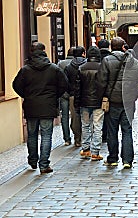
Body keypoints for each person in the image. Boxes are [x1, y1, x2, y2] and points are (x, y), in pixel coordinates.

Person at [13, 42, 68, 174]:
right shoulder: (54, 69)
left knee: (32, 135)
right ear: (44, 51)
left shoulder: (25, 70)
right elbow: (64, 85)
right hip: (47, 106)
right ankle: (44, 164)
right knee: (46, 135)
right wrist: (54, 96)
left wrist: (26, 95)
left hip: (31, 106)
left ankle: (33, 160)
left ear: (31, 52)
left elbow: (16, 85)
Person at [97, 37, 138, 169]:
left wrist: (104, 97)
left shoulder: (107, 60)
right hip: (128, 102)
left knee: (112, 131)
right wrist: (133, 97)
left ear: (112, 47)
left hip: (113, 102)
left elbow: (101, 81)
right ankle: (127, 160)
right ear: (123, 47)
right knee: (127, 131)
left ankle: (113, 158)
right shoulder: (134, 62)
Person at [74, 46, 104, 161]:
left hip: (84, 102)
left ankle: (86, 149)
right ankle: (95, 152)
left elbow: (78, 88)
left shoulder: (81, 68)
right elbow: (104, 85)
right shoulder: (102, 68)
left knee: (85, 125)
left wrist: (77, 103)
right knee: (97, 126)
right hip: (98, 102)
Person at [64, 46, 87, 147]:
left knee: (75, 117)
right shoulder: (87, 65)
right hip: (86, 95)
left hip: (73, 95)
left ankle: (77, 138)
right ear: (83, 53)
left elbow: (65, 82)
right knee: (87, 118)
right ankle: (86, 139)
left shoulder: (68, 67)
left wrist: (70, 92)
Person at [57, 47, 75, 146]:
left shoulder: (61, 63)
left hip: (63, 93)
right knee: (75, 115)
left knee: (64, 116)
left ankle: (67, 139)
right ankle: (77, 136)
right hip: (73, 93)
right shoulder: (77, 63)